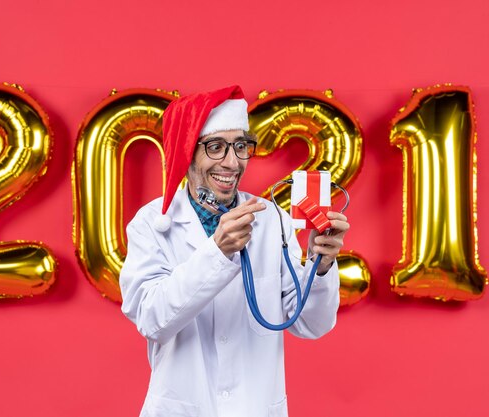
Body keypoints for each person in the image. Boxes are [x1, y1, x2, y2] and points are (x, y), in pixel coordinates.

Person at [120, 85, 350, 417]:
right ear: (188, 153)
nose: (232, 162)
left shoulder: (272, 219)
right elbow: (153, 320)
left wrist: (322, 265)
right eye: (216, 147)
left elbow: (311, 325)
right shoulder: (153, 224)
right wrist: (217, 252)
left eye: (240, 146)